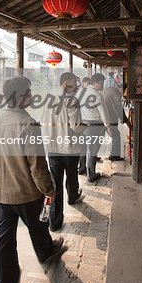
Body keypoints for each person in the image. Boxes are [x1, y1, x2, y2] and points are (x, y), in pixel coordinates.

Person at [0, 76, 66, 283]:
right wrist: (49, 189)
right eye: (29, 92)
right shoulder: (28, 123)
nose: (31, 96)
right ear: (21, 97)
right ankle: (46, 252)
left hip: (1, 191)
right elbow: (37, 165)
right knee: (38, 227)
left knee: (3, 238)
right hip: (25, 192)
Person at [41, 72, 85, 231]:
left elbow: (43, 123)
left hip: (52, 149)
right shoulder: (72, 100)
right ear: (66, 83)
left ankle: (54, 222)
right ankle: (73, 197)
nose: (75, 87)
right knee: (71, 176)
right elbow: (76, 126)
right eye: (73, 83)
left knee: (55, 185)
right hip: (70, 149)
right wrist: (85, 126)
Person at [76, 73, 111, 182]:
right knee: (92, 151)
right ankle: (91, 175)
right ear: (95, 83)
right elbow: (104, 114)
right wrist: (108, 127)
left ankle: (81, 168)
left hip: (82, 125)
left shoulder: (81, 92)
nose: (103, 85)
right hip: (95, 126)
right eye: (101, 82)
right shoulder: (97, 95)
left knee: (83, 148)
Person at [102, 86, 130, 161]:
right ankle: (114, 156)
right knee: (116, 136)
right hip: (109, 118)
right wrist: (127, 122)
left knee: (113, 135)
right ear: (122, 90)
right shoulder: (115, 94)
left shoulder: (110, 89)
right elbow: (119, 109)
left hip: (104, 117)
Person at [77, 76, 91, 173]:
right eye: (88, 84)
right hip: (83, 123)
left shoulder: (79, 92)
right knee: (84, 147)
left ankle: (81, 167)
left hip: (81, 122)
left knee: (83, 147)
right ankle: (82, 167)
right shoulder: (83, 92)